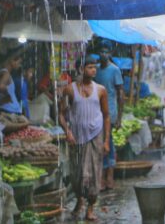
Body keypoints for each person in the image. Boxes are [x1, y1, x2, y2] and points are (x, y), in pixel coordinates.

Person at [59, 56, 110, 221]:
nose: (93, 70)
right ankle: (79, 200)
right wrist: (67, 131)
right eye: (89, 67)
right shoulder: (69, 89)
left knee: (94, 173)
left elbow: (107, 115)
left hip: (96, 135)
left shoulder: (101, 90)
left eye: (94, 67)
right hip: (77, 137)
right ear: (81, 70)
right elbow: (61, 114)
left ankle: (90, 208)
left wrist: (107, 140)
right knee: (78, 174)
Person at [94, 40, 124, 190]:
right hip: (96, 112)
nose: (103, 54)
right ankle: (101, 175)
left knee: (108, 142)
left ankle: (109, 175)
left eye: (106, 52)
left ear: (110, 53)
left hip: (110, 112)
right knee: (99, 144)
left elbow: (120, 94)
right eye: (101, 51)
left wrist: (119, 117)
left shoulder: (115, 70)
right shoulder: (96, 70)